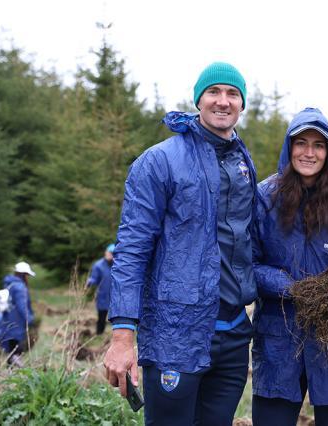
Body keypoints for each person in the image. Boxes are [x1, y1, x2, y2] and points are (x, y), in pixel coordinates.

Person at [103, 62, 258, 426]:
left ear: (242, 104)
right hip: (176, 335)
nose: (223, 101)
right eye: (214, 92)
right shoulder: (159, 161)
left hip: (234, 335)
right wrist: (123, 336)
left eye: (232, 93)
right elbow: (131, 250)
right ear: (198, 100)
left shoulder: (241, 162)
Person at [251, 107, 328, 426]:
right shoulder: (265, 197)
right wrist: (293, 289)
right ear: (289, 147)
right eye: (301, 143)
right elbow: (248, 263)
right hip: (278, 336)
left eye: (318, 145)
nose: (309, 152)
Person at [1, 261, 36, 366]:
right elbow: (22, 306)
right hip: (17, 321)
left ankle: (10, 372)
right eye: (27, 275)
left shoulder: (9, 284)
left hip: (7, 320)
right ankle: (19, 369)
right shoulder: (20, 287)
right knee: (17, 349)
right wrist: (29, 319)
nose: (28, 278)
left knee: (10, 349)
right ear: (23, 274)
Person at [86, 243, 115, 335]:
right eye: (109, 252)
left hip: (115, 296)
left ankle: (116, 336)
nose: (110, 255)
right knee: (102, 316)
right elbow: (94, 278)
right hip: (103, 295)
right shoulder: (98, 265)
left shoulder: (118, 265)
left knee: (117, 318)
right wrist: (89, 282)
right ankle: (99, 333)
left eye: (113, 253)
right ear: (105, 252)